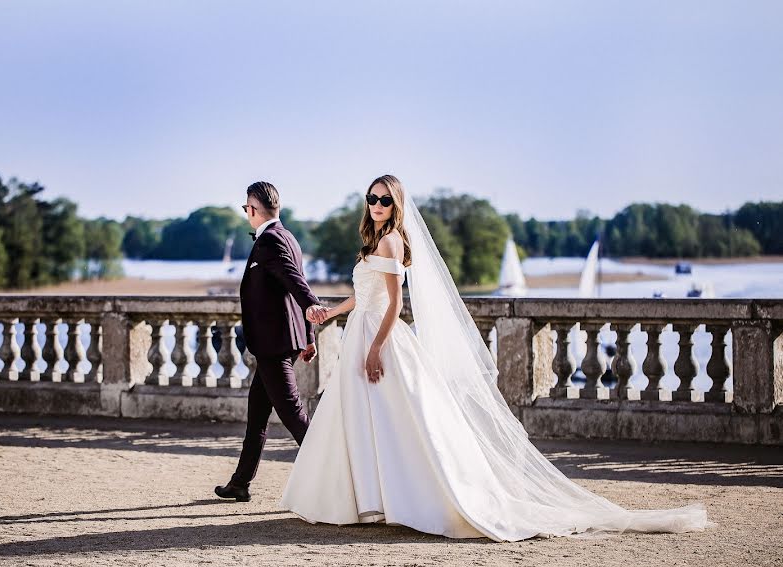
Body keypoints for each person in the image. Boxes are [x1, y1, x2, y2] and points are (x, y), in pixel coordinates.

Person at [280, 174, 711, 541]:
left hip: (381, 339)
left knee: (400, 419)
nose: (376, 205)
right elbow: (363, 296)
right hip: (361, 330)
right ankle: (368, 498)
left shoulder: (392, 242)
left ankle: (412, 497)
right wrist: (327, 312)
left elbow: (394, 305)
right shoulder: (374, 239)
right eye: (371, 199)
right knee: (363, 417)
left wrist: (376, 349)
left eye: (384, 199)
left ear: (397, 205)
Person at [215, 181, 326, 502]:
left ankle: (341, 474)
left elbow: (296, 283)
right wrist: (308, 336)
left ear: (251, 209)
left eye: (245, 208)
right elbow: (288, 287)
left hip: (274, 344)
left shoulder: (272, 241)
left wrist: (313, 307)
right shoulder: (287, 236)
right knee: (258, 414)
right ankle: (240, 482)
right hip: (280, 341)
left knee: (293, 415)